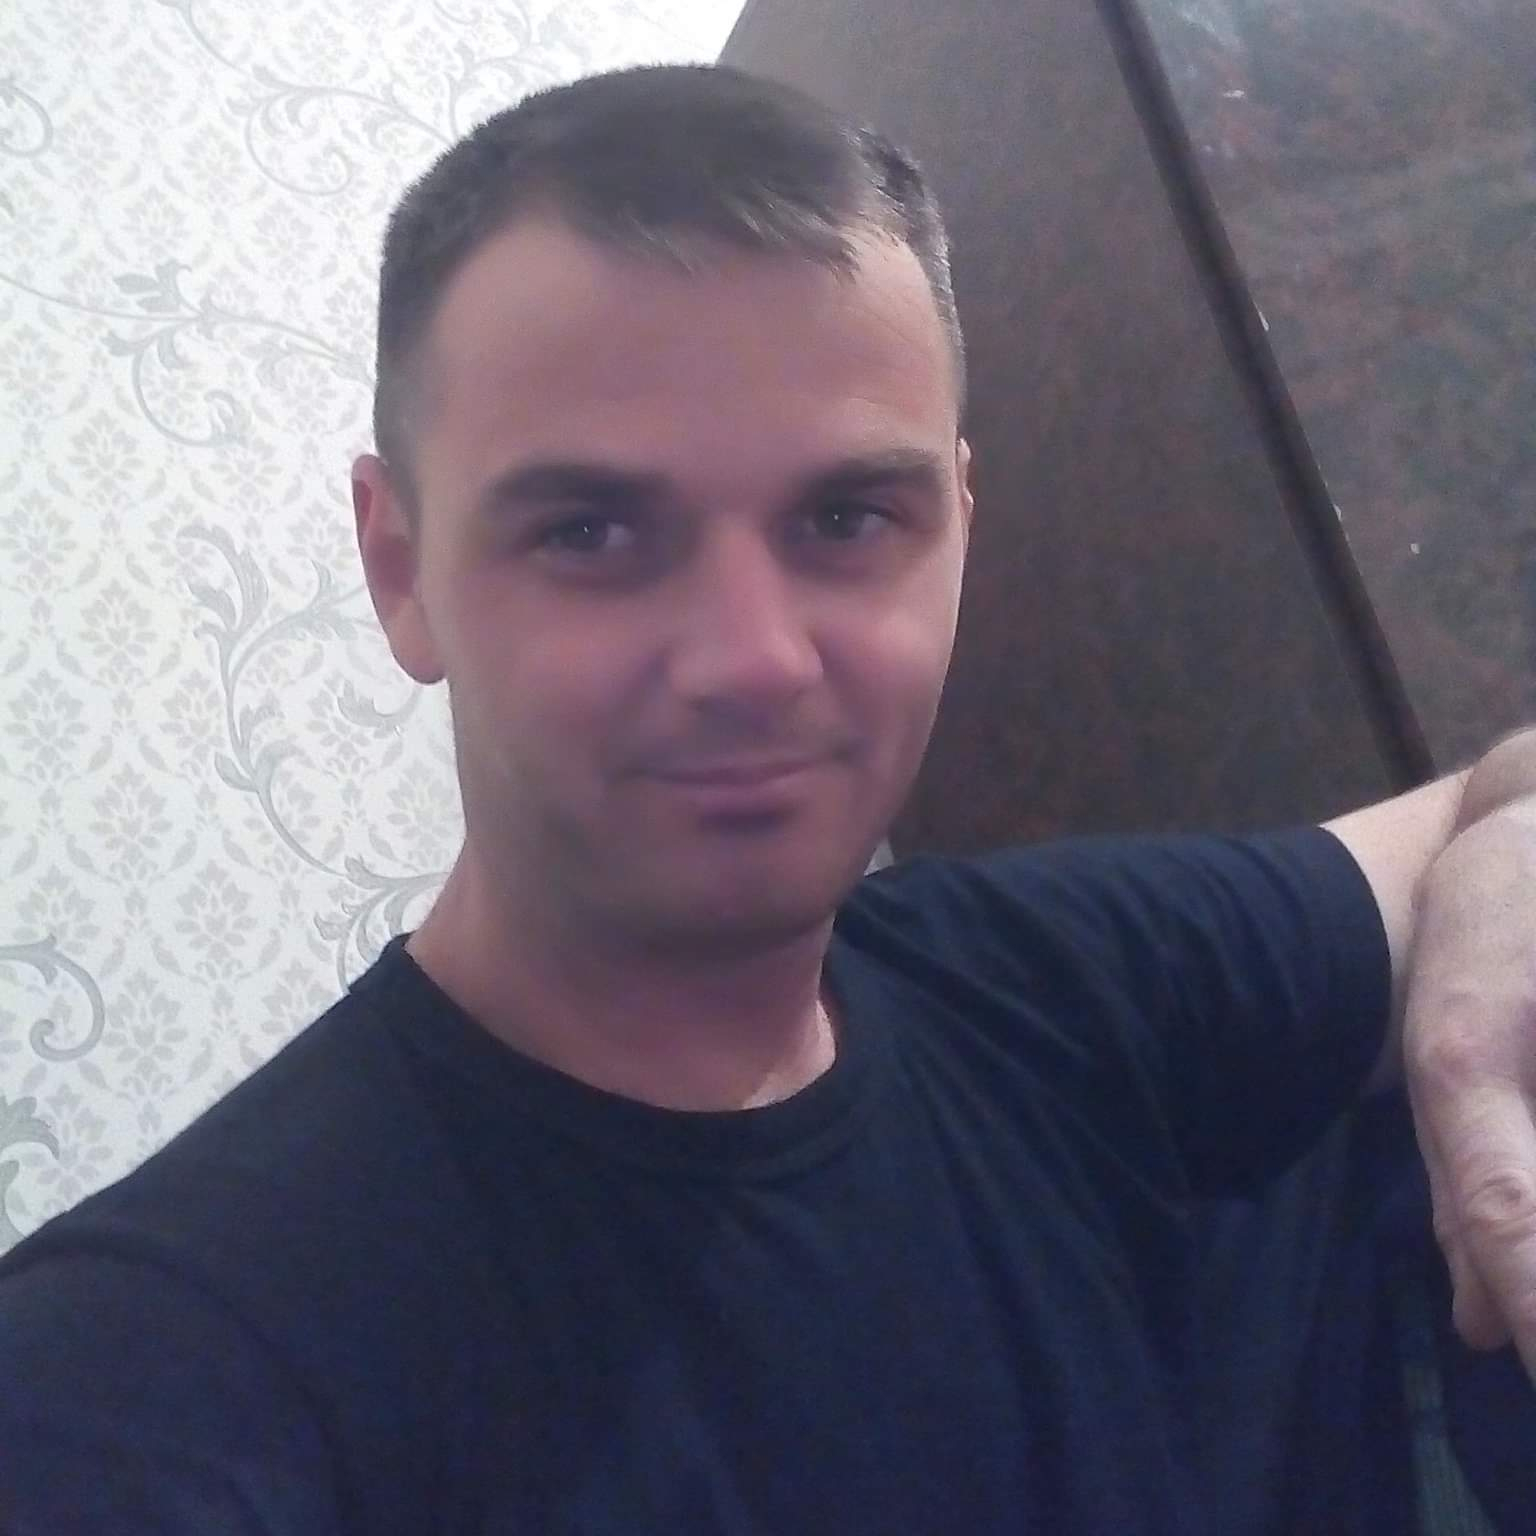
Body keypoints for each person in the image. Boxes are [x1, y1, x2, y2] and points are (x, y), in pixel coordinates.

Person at [2, 62, 1534, 1536]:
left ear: (959, 523)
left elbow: (1499, 785)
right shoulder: (152, 1379)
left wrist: (1476, 961)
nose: (752, 660)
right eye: (593, 531)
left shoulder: (1054, 986)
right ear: (400, 568)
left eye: (848, 517)